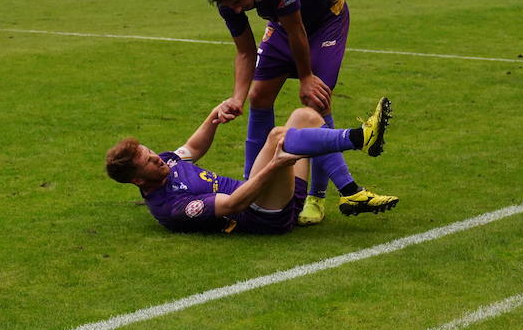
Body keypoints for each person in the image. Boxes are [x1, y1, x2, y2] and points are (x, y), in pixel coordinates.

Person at [199, 0, 398, 225]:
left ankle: (318, 198)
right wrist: (237, 98)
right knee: (258, 95)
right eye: (229, 5)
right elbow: (245, 51)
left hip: (327, 20)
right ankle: (250, 186)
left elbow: (298, 32)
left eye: (238, 1)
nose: (236, 9)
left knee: (316, 103)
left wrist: (306, 77)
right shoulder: (228, 0)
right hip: (285, 24)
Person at [105, 97, 393, 235]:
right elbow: (232, 205)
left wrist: (213, 116)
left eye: (150, 151)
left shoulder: (167, 163)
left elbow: (192, 148)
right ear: (139, 181)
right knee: (281, 138)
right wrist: (274, 168)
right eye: (148, 161)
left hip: (264, 194)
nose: (157, 157)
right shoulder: (171, 206)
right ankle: (361, 137)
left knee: (305, 115)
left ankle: (351, 191)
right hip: (262, 216)